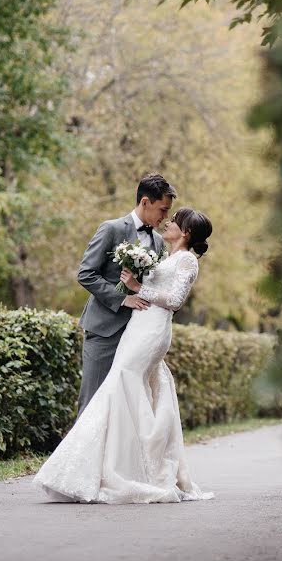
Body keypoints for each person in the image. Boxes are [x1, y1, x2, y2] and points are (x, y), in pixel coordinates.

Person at [33, 207, 215, 503]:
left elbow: (175, 301)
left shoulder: (187, 261)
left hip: (153, 331)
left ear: (185, 233)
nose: (167, 222)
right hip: (138, 327)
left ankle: (120, 467)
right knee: (126, 387)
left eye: (174, 221)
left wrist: (137, 287)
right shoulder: (168, 255)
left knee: (122, 382)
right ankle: (124, 463)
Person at [75, 173, 176, 416]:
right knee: (92, 401)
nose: (164, 217)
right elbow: (86, 273)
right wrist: (122, 298)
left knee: (125, 405)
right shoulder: (111, 229)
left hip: (137, 334)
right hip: (104, 329)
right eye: (162, 210)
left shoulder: (160, 243)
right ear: (144, 202)